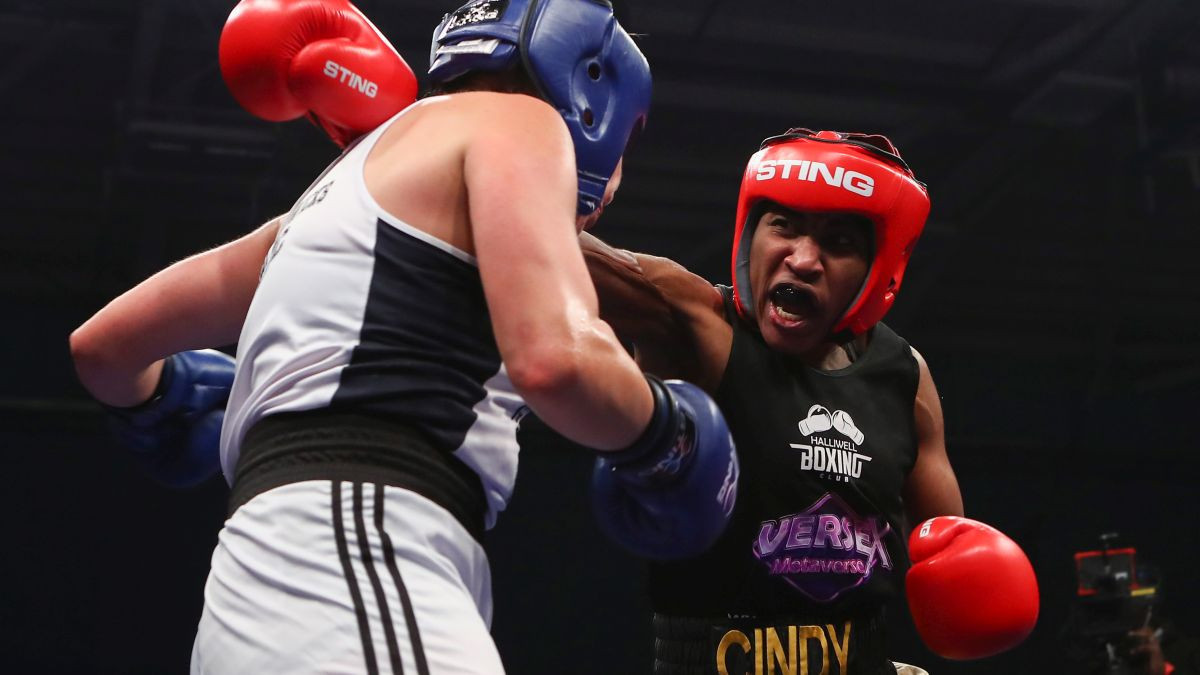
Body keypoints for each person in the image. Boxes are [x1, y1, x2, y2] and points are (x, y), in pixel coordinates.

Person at [68, 0, 739, 673]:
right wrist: (667, 432)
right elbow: (556, 362)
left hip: (263, 581)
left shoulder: (322, 201)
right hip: (359, 553)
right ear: (594, 97)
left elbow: (103, 349)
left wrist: (171, 399)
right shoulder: (521, 122)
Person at [580, 128, 1039, 674]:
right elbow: (535, 245)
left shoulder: (905, 376)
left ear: (878, 268)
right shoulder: (696, 324)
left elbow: (947, 549)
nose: (802, 259)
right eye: (784, 226)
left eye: (838, 242)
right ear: (751, 232)